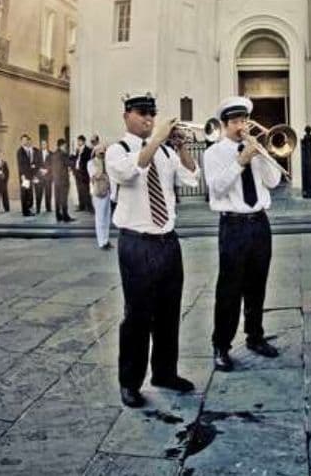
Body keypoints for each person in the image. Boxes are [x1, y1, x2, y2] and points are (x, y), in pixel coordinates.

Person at [106, 92, 201, 408]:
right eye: (141, 113)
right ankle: (130, 382)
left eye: (152, 113)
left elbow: (191, 177)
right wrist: (157, 139)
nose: (148, 118)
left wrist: (181, 146)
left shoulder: (165, 152)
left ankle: (165, 373)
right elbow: (130, 171)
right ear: (126, 116)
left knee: (169, 313)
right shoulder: (117, 151)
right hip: (137, 243)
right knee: (137, 316)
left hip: (167, 242)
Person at [204, 96, 284, 372]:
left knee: (257, 284)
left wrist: (263, 155)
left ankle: (255, 336)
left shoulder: (256, 148)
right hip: (233, 225)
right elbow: (217, 189)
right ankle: (221, 345)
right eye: (236, 121)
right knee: (229, 288)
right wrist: (241, 160)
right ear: (225, 124)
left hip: (259, 223)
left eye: (244, 120)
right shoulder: (214, 153)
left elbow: (273, 181)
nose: (241, 126)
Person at [89, 140, 113, 249]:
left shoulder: (106, 161)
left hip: (107, 191)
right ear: (95, 151)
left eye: (103, 150)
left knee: (107, 218)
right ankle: (101, 242)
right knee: (100, 218)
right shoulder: (91, 163)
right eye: (100, 151)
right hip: (98, 192)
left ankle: (106, 240)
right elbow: (96, 175)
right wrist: (105, 175)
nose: (102, 152)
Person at [50, 139, 74, 223]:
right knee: (64, 199)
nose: (66, 147)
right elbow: (70, 163)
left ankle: (58, 216)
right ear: (62, 145)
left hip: (56, 180)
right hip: (63, 180)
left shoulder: (54, 154)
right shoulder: (63, 154)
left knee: (57, 199)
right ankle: (65, 216)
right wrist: (74, 157)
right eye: (65, 146)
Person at [16, 134, 36, 216]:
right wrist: (23, 176)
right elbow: (20, 165)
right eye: (23, 140)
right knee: (24, 194)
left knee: (29, 193)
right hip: (24, 176)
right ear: (21, 141)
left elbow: (28, 163)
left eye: (26, 140)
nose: (25, 141)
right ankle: (25, 212)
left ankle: (28, 210)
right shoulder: (20, 151)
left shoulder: (27, 150)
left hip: (29, 175)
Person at [73, 135, 94, 213]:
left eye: (80, 141)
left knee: (86, 190)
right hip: (77, 172)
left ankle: (89, 207)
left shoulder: (88, 150)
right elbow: (75, 159)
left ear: (83, 141)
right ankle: (81, 206)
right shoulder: (77, 150)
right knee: (79, 190)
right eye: (78, 141)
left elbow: (88, 161)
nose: (78, 142)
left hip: (84, 173)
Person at [38, 139, 54, 212]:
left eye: (44, 144)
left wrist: (47, 170)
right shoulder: (37, 153)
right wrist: (41, 170)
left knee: (48, 193)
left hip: (48, 176)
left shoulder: (51, 153)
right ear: (41, 145)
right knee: (39, 193)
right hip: (40, 176)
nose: (43, 145)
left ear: (47, 144)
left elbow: (53, 164)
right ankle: (38, 208)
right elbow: (36, 163)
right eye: (42, 144)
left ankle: (48, 208)